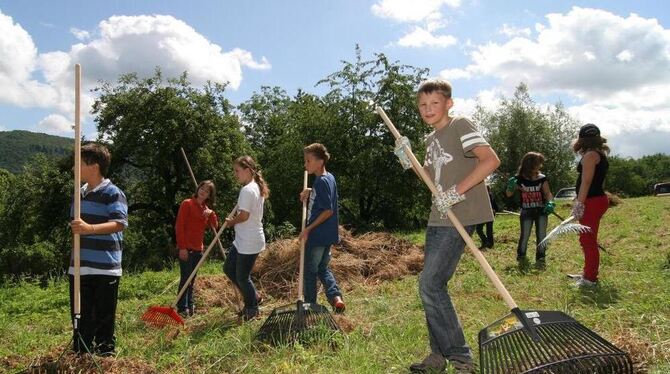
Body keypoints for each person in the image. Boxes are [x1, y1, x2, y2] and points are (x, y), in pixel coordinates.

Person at [408, 80, 500, 374]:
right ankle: (438, 355)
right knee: (432, 286)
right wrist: (407, 160)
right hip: (438, 215)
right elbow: (429, 180)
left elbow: (490, 161)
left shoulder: (459, 125)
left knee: (430, 284)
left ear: (449, 103)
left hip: (461, 212)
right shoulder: (429, 140)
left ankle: (462, 358)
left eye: (434, 103)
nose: (428, 109)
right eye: (422, 105)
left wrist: (456, 192)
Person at [69, 143, 128, 356]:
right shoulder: (79, 194)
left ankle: (105, 356)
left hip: (105, 268)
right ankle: (81, 353)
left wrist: (89, 228)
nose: (74, 168)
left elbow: (119, 223)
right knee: (81, 315)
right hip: (79, 266)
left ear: (94, 167)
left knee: (103, 316)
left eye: (79, 163)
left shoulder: (113, 193)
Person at [299, 143, 345, 313]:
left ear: (319, 162)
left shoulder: (321, 181)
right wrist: (310, 191)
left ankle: (310, 305)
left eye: (308, 161)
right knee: (322, 268)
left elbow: (328, 210)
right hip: (328, 235)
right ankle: (336, 298)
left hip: (317, 235)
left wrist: (308, 229)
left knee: (310, 272)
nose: (306, 165)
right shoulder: (328, 178)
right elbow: (326, 198)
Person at [223, 156, 269, 321]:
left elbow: (244, 216)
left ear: (248, 170)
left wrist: (230, 222)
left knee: (242, 277)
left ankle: (252, 309)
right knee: (229, 268)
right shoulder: (255, 187)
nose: (235, 174)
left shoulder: (248, 190)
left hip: (249, 240)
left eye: (237, 171)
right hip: (244, 239)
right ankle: (254, 296)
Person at [567, 124, 609, 287]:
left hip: (591, 202)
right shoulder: (599, 154)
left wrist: (579, 203)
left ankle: (590, 279)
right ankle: (587, 272)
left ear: (582, 140)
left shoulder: (590, 155)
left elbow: (586, 181)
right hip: (595, 200)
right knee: (587, 238)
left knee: (588, 240)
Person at [175, 180, 218, 317]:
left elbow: (214, 226)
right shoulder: (187, 203)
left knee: (192, 280)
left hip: (198, 249)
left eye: (206, 191)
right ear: (198, 188)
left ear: (209, 196)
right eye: (202, 188)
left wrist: (211, 214)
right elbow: (179, 226)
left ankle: (190, 305)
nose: (202, 191)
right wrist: (182, 248)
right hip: (186, 248)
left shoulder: (205, 210)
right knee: (186, 278)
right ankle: (182, 308)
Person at [505, 152, 555, 266]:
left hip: (542, 210)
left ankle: (541, 257)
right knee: (525, 234)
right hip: (526, 211)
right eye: (538, 163)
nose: (540, 166)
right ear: (530, 164)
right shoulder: (518, 179)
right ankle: (521, 256)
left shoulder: (542, 178)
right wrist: (510, 186)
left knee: (542, 234)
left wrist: (550, 202)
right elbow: (508, 194)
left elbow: (548, 193)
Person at [475, 184, 499, 249]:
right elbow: (496, 207)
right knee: (483, 229)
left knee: (482, 229)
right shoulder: (486, 196)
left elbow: (494, 206)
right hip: (485, 214)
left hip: (488, 214)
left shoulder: (488, 196)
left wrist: (494, 210)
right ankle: (487, 242)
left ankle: (488, 243)